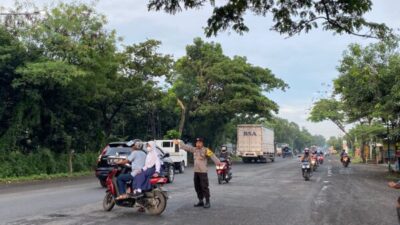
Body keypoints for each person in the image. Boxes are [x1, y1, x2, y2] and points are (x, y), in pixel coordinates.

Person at [174, 138, 221, 209]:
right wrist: (179, 142)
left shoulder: (206, 150)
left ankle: (207, 202)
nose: (198, 144)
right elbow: (186, 147)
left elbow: (212, 156)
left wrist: (218, 163)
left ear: (202, 143)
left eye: (199, 142)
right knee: (197, 187)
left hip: (203, 172)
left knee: (204, 187)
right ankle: (200, 200)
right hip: (196, 171)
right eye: (197, 142)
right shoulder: (194, 149)